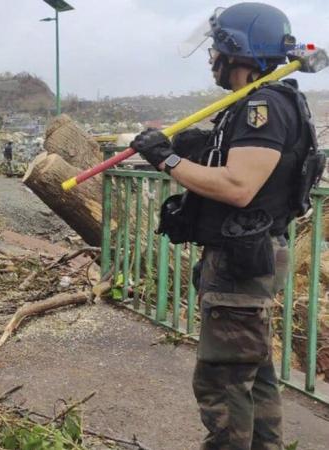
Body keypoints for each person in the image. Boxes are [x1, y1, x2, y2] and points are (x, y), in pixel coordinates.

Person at [130, 3, 323, 449]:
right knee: (253, 375)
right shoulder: (255, 103)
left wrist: (168, 160)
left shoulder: (263, 105)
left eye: (217, 48)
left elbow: (238, 186)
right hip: (244, 256)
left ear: (238, 53)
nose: (212, 57)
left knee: (222, 383)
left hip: (242, 262)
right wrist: (190, 152)